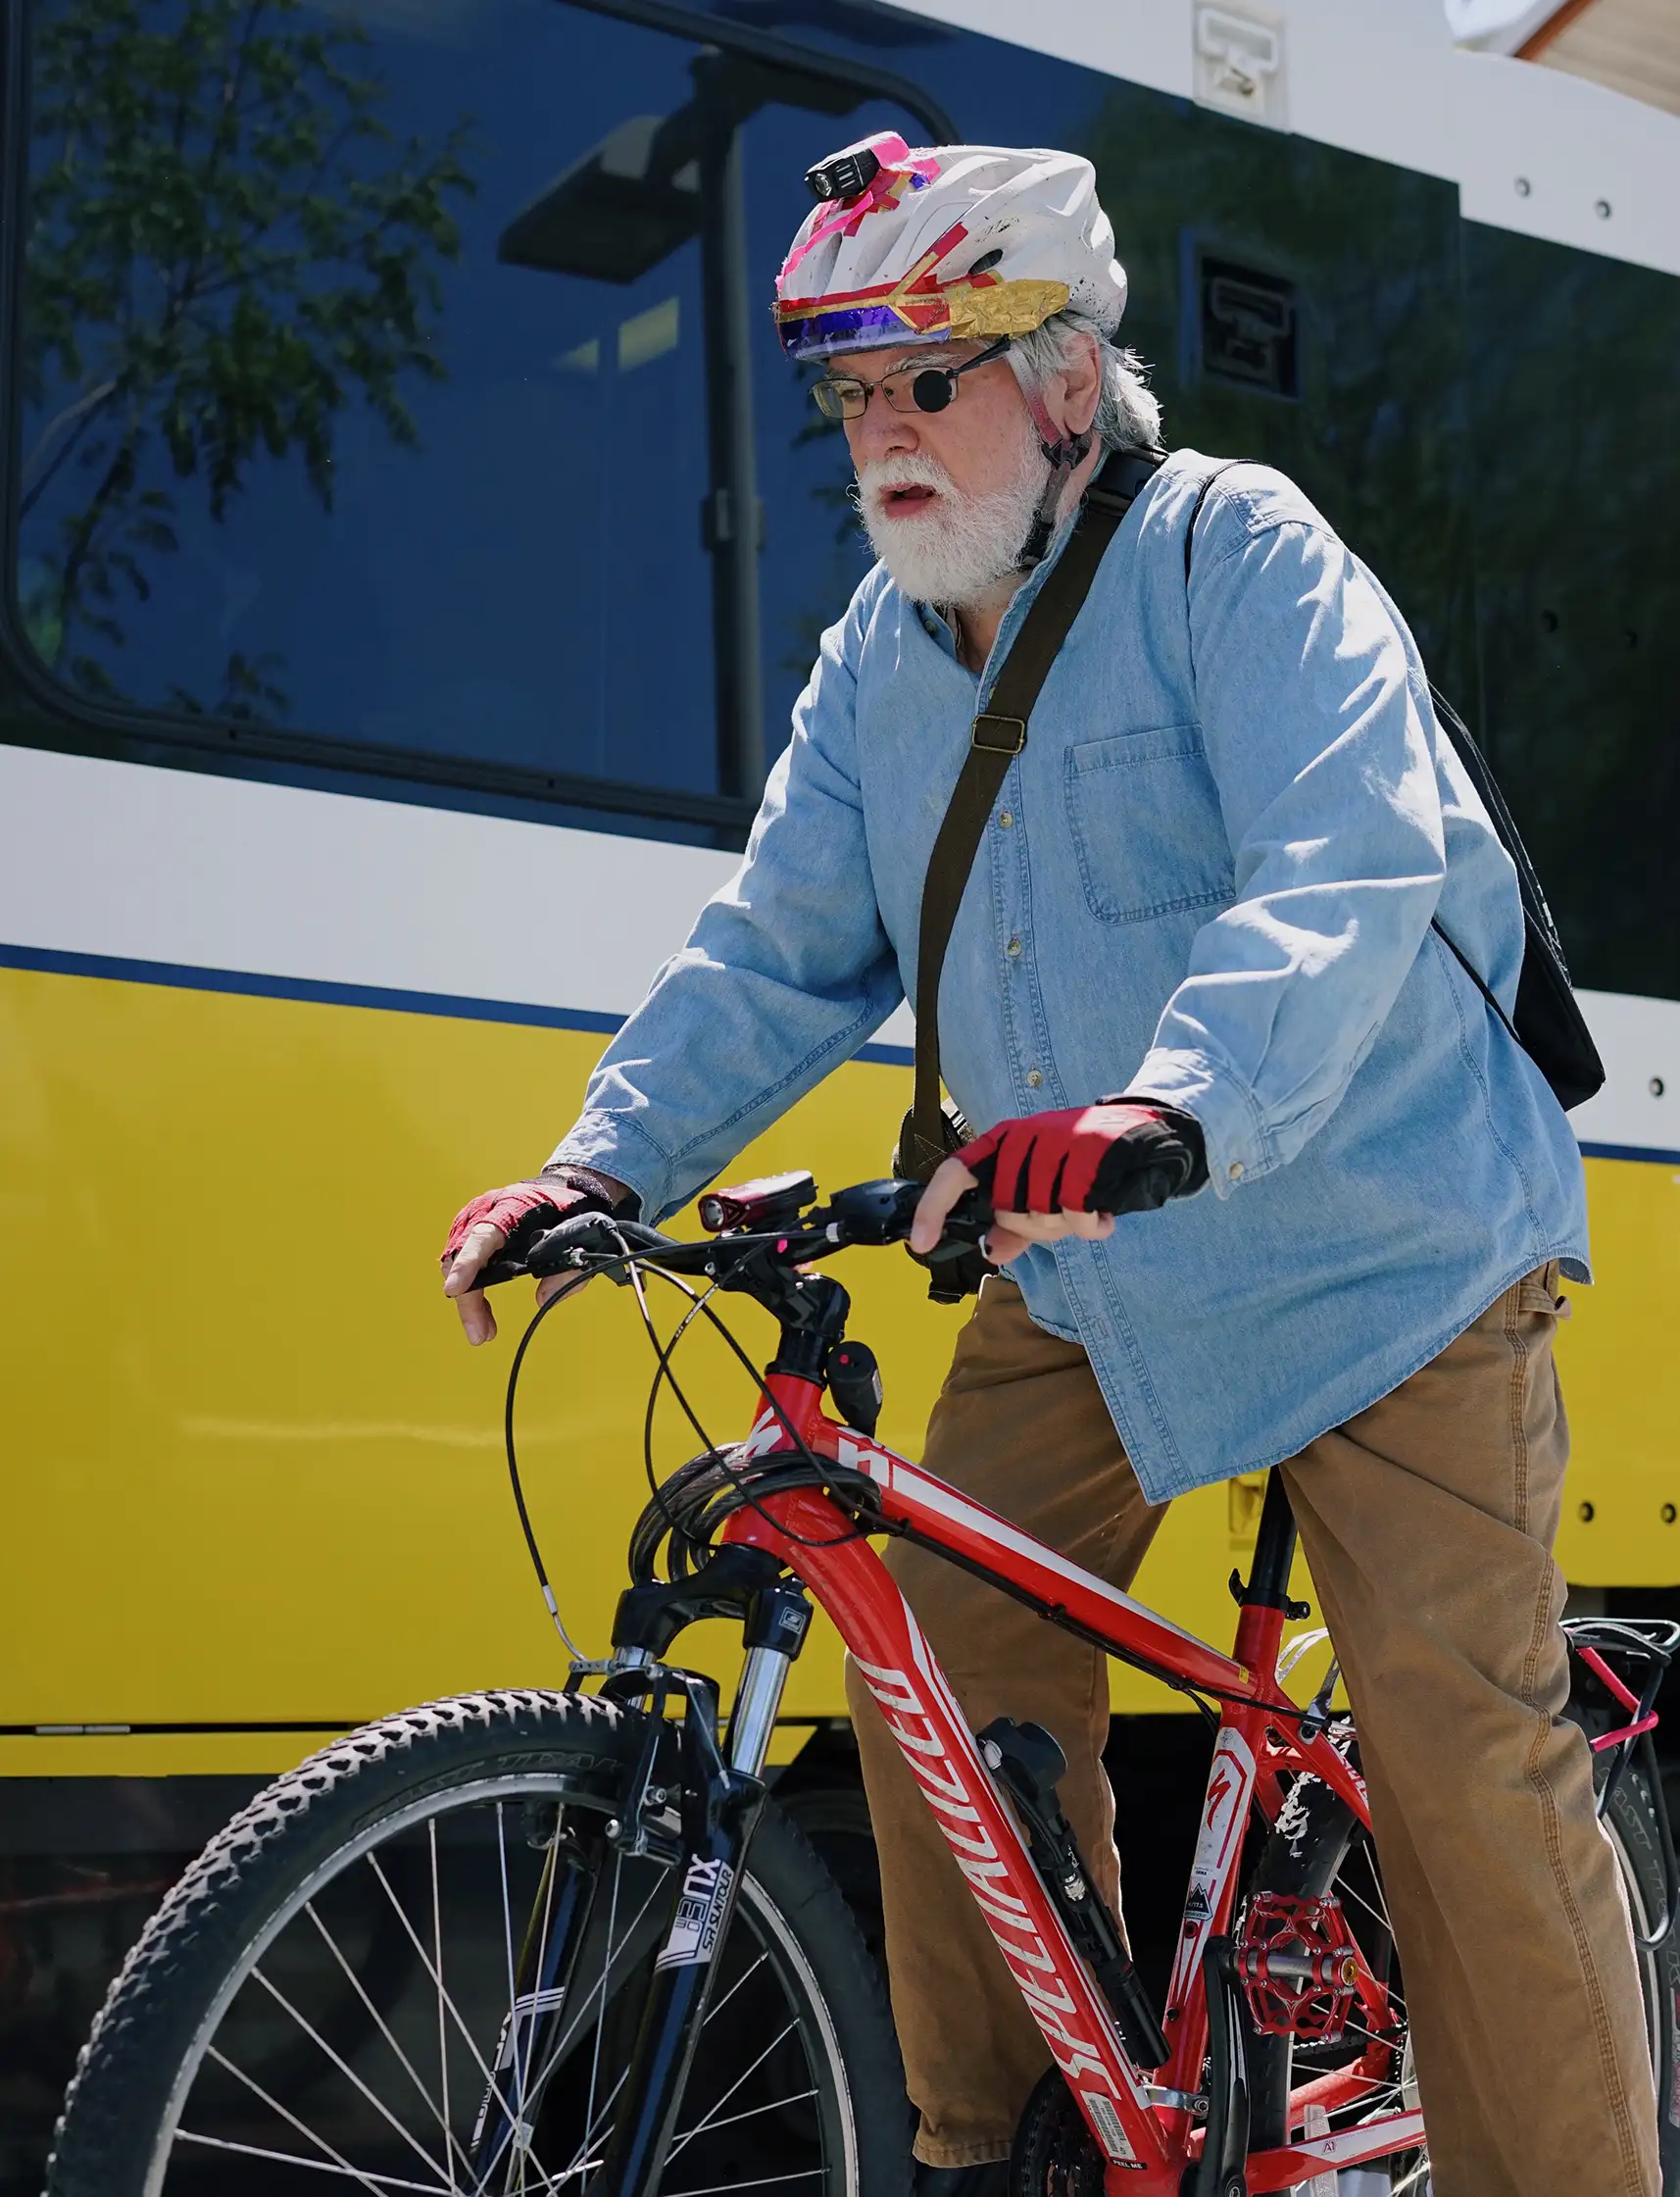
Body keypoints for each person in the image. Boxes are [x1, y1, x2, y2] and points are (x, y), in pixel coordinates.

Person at [440, 137, 1656, 2197]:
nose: (877, 434)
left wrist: (1173, 1102)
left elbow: (1344, 858)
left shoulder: (1229, 556)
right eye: (845, 391)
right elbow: (776, 945)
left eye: (928, 376)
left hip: (1383, 1246)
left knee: (1458, 1756)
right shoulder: (875, 658)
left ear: (1068, 378)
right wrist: (601, 1161)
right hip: (1084, 1272)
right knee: (938, 1660)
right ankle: (1016, 2151)